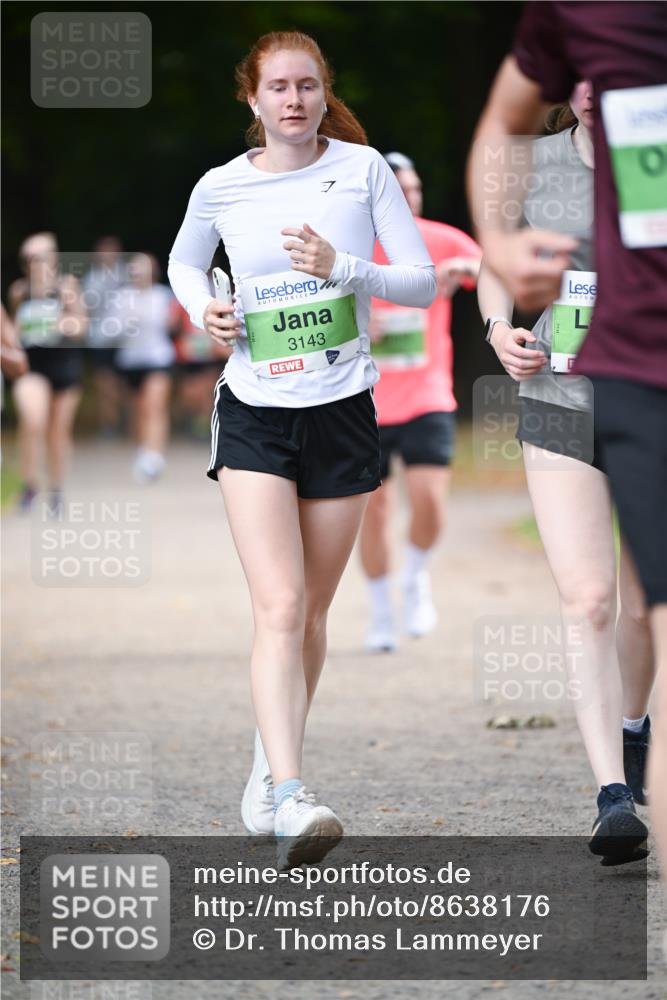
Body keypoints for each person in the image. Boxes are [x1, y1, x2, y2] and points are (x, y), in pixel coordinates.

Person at [168, 30, 435, 868]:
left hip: (344, 410)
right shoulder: (219, 188)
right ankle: (289, 794)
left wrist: (342, 265)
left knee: (313, 613)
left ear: (324, 94)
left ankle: (266, 766)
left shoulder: (362, 172)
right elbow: (183, 265)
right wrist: (202, 311)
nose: (293, 100)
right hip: (254, 410)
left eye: (308, 86)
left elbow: (422, 282)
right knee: (279, 607)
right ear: (252, 98)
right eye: (278, 87)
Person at [467, 2, 666, 888]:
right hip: (553, 397)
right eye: (573, 77)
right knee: (584, 600)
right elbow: (487, 257)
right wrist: (497, 327)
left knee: (634, 605)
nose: (588, 89)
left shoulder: (650, 156)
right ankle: (611, 792)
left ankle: (633, 721)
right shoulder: (535, 160)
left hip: (643, 393)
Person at [359, 151, 481, 651]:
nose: (410, 198)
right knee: (374, 512)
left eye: (414, 188)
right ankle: (381, 613)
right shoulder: (351, 245)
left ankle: (414, 575)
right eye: (399, 190)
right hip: (363, 400)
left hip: (429, 393)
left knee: (430, 502)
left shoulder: (440, 237)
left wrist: (463, 266)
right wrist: (361, 322)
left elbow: (497, 270)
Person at [7, 232, 87, 514]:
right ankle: (29, 484)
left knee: (58, 431)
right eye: (29, 258)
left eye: (40, 257)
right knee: (33, 419)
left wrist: (63, 324)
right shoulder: (19, 291)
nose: (35, 263)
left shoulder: (67, 286)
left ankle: (56, 490)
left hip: (64, 366)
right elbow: (14, 331)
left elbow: (82, 324)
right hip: (32, 367)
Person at [112, 253, 175, 483]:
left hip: (158, 358)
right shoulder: (121, 297)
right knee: (138, 410)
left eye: (142, 269)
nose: (138, 274)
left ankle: (155, 456)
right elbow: (112, 329)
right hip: (130, 360)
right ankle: (143, 450)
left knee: (154, 406)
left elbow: (172, 325)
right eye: (134, 269)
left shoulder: (163, 295)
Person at [81, 236, 128, 440]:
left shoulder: (126, 275)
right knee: (104, 385)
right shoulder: (91, 279)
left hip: (125, 339)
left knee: (124, 385)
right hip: (100, 339)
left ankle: (127, 423)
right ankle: (108, 424)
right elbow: (87, 308)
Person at [171, 297, 230, 441]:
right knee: (189, 393)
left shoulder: (220, 295)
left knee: (208, 390)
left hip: (211, 355)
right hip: (188, 356)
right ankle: (192, 421)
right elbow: (172, 326)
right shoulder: (182, 297)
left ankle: (204, 425)